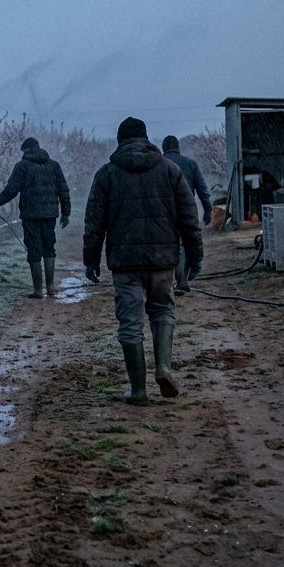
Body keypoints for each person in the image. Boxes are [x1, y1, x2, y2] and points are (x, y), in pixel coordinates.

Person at [84, 118, 204, 405]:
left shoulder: (107, 174)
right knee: (163, 310)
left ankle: (138, 389)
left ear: (119, 141)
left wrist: (90, 260)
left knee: (130, 322)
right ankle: (163, 367)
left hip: (125, 262)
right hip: (163, 260)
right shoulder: (170, 171)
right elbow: (189, 219)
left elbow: (94, 223)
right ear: (146, 138)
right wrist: (195, 256)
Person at [0, 137, 72, 299]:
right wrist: (66, 213)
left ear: (26, 150)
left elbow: (12, 189)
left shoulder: (22, 167)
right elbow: (63, 190)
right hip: (50, 214)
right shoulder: (53, 165)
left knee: (34, 249)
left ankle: (37, 290)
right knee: (49, 247)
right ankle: (50, 286)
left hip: (31, 215)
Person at [161, 135, 213, 295]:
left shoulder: (158, 164)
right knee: (183, 245)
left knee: (167, 245)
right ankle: (182, 280)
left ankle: (164, 281)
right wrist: (208, 211)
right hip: (186, 210)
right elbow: (203, 190)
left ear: (163, 148)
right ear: (178, 147)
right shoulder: (191, 164)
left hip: (164, 211)